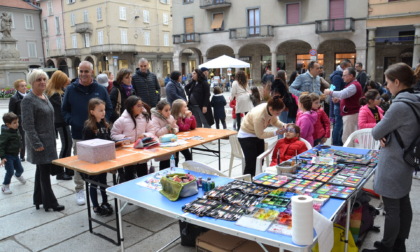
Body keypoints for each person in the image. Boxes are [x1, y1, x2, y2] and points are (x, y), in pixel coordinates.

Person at [363, 63, 420, 252]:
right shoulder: (415, 100)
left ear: (397, 82)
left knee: (392, 208)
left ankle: (387, 246)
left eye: (387, 83)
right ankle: (399, 242)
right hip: (406, 159)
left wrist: (384, 133)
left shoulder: (399, 106)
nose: (386, 86)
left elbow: (377, 131)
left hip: (394, 161)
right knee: (403, 202)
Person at [62, 60, 113, 206]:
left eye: (86, 71)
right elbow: (64, 110)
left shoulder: (100, 89)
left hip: (98, 135)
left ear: (92, 72)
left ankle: (96, 185)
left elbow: (108, 108)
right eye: (81, 71)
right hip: (79, 134)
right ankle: (79, 189)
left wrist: (102, 121)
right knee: (81, 163)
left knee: (99, 162)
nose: (84, 74)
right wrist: (72, 121)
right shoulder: (71, 89)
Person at [21, 69, 64, 212]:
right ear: (31, 82)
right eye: (38, 80)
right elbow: (27, 125)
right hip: (40, 143)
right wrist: (36, 143)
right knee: (44, 172)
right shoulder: (28, 100)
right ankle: (50, 202)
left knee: (41, 171)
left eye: (44, 79)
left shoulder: (44, 96)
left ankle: (38, 199)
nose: (42, 82)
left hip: (49, 141)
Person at [238, 96, 286, 176]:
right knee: (251, 162)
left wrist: (284, 125)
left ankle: (257, 177)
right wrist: (275, 133)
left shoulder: (271, 110)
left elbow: (275, 121)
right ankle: (247, 181)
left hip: (256, 133)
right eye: (278, 113)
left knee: (260, 160)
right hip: (246, 135)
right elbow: (260, 135)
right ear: (271, 109)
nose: (279, 114)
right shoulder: (259, 116)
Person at [82, 98, 113, 216]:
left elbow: (108, 139)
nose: (103, 112)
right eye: (100, 110)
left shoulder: (105, 124)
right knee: (93, 183)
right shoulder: (89, 127)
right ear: (92, 112)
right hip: (94, 161)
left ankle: (105, 202)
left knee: (103, 181)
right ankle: (95, 206)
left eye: (104, 110)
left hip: (104, 159)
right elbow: (86, 145)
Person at [111, 96, 154, 181]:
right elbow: (113, 134)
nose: (141, 107)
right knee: (129, 176)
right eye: (138, 105)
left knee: (143, 175)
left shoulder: (144, 118)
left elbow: (152, 131)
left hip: (141, 152)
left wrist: (145, 135)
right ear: (131, 107)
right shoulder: (122, 120)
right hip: (128, 154)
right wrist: (124, 138)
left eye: (142, 105)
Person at [45, 70, 73, 181]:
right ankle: (60, 172)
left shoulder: (56, 91)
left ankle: (67, 168)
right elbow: (63, 107)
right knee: (66, 145)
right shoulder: (55, 94)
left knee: (67, 145)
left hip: (61, 122)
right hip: (60, 122)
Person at [324, 67, 363, 144]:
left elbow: (343, 93)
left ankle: (348, 152)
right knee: (345, 133)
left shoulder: (353, 85)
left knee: (347, 136)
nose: (342, 77)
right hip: (348, 112)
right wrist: (340, 99)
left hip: (351, 113)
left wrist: (330, 92)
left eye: (344, 75)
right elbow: (346, 95)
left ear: (351, 75)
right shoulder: (352, 84)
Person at [0, 112, 26, 194]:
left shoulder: (15, 130)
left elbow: (19, 139)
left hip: (15, 155)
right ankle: (5, 185)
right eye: (14, 123)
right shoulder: (5, 134)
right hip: (8, 156)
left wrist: (20, 147)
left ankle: (18, 175)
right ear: (7, 124)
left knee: (20, 169)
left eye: (17, 122)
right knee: (10, 171)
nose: (17, 124)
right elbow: (1, 146)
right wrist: (3, 157)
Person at [150, 100, 179, 169]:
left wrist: (174, 130)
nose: (169, 112)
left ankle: (174, 174)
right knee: (165, 163)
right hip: (163, 145)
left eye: (169, 110)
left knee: (174, 160)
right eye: (166, 110)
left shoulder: (170, 117)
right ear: (160, 111)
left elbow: (176, 127)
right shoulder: (155, 119)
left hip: (171, 142)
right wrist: (167, 127)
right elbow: (157, 133)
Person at [328, 60, 352, 146]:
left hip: (339, 103)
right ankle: (336, 143)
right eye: (349, 66)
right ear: (344, 66)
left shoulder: (337, 75)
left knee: (338, 124)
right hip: (338, 104)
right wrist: (336, 99)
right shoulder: (337, 76)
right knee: (338, 124)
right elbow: (334, 90)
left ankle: (337, 141)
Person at [171, 99, 195, 165]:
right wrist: (188, 118)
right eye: (185, 107)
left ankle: (188, 170)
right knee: (176, 158)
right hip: (175, 140)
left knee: (188, 156)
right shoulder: (176, 117)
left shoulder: (183, 116)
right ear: (179, 109)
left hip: (180, 139)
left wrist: (191, 117)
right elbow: (184, 128)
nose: (187, 108)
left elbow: (193, 126)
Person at [8, 79, 27, 161]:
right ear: (17, 88)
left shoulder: (29, 95)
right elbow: (11, 113)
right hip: (20, 122)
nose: (24, 87)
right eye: (22, 86)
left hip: (30, 121)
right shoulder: (14, 98)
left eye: (25, 85)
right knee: (22, 139)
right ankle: (22, 156)